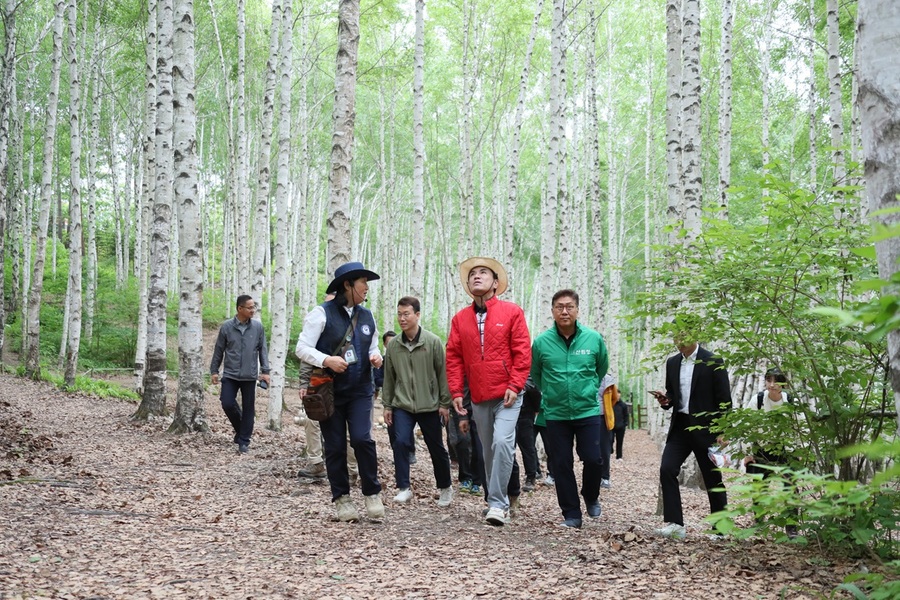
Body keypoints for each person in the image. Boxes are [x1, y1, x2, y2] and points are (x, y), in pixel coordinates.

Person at [295, 262, 385, 523]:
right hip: (329, 390)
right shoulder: (321, 314)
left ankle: (372, 493)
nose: (367, 288)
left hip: (360, 391)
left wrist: (376, 356)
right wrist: (326, 360)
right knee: (334, 446)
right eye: (363, 283)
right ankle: (342, 499)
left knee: (362, 440)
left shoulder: (367, 316)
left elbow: (372, 346)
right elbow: (302, 348)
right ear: (348, 285)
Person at [447, 257, 531, 526]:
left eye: (483, 273)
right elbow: (454, 357)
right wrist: (457, 391)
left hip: (508, 395)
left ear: (496, 283)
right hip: (480, 396)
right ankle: (495, 499)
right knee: (487, 452)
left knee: (503, 442)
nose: (476, 277)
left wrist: (515, 384)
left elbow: (522, 352)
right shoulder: (460, 319)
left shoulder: (512, 312)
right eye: (472, 274)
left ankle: (497, 504)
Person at [530, 289, 609, 528]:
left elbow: (601, 368)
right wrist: (552, 394)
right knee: (561, 463)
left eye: (569, 306)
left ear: (577, 310)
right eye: (559, 307)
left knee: (594, 459)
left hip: (587, 411)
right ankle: (572, 514)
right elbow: (536, 374)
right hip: (555, 413)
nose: (565, 311)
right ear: (553, 311)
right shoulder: (542, 342)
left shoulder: (593, 338)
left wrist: (588, 388)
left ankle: (591, 495)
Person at [650, 327, 731, 540]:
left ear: (695, 335)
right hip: (680, 427)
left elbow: (725, 400)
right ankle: (675, 524)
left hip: (706, 429)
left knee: (712, 477)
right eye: (676, 336)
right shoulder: (673, 362)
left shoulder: (712, 361)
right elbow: (673, 395)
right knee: (667, 469)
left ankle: (720, 529)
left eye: (683, 335)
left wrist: (723, 430)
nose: (679, 340)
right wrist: (666, 400)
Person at [381, 297, 453, 507]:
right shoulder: (393, 345)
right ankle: (404, 487)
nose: (402, 319)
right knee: (401, 442)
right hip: (402, 404)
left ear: (417, 315)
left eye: (406, 314)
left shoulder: (432, 342)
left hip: (429, 404)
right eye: (399, 314)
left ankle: (445, 487)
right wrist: (387, 405)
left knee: (436, 447)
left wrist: (444, 403)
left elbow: (442, 374)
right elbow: (389, 377)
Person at [296, 293, 359, 485]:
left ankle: (352, 470)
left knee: (349, 428)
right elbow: (306, 354)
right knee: (311, 419)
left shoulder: (356, 322)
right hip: (320, 382)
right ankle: (316, 463)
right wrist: (304, 383)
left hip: (348, 385)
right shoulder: (318, 322)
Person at [210, 295, 271, 454]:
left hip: (249, 375)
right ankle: (241, 429)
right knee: (227, 402)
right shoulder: (227, 327)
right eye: (250, 308)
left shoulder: (258, 327)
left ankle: (244, 441)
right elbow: (219, 350)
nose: (253, 310)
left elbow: (262, 350)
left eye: (254, 307)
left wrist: (265, 371)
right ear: (240, 309)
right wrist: (214, 370)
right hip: (230, 374)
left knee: (249, 408)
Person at [744, 367, 798, 537]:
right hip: (762, 448)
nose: (772, 385)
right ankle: (759, 523)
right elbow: (746, 426)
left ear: (784, 383)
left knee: (790, 487)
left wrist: (798, 452)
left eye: (776, 381)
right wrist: (747, 452)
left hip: (785, 449)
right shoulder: (758, 400)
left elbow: (799, 427)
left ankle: (791, 527)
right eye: (769, 380)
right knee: (759, 487)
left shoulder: (791, 402)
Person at [598, 374, 617, 488]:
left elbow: (614, 398)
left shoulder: (608, 379)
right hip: (587, 416)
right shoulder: (584, 374)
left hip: (603, 417)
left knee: (604, 449)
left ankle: (605, 477)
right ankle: (593, 476)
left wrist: (606, 409)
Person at [611, 392, 630, 461]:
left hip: (621, 427)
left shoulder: (623, 405)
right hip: (611, 426)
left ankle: (619, 456)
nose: (617, 397)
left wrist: (625, 423)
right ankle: (610, 450)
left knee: (620, 442)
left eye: (618, 395)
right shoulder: (611, 404)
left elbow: (626, 415)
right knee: (610, 440)